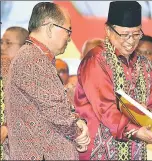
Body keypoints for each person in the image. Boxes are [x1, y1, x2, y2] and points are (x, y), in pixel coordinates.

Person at [74, 1, 152, 160]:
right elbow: (105, 108)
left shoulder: (145, 65)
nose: (130, 41)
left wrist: (151, 118)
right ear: (108, 30)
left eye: (136, 34)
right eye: (124, 34)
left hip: (136, 152)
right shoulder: (96, 60)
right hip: (99, 152)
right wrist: (136, 131)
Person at [4, 2, 90, 160]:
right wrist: (78, 134)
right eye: (68, 31)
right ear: (50, 27)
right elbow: (56, 112)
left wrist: (77, 122)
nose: (69, 38)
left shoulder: (34, 57)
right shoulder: (33, 59)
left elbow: (54, 109)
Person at [0, 26, 28, 160]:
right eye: (1, 42)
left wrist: (7, 126)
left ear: (23, 47)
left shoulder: (29, 74)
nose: (2, 47)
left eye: (8, 43)